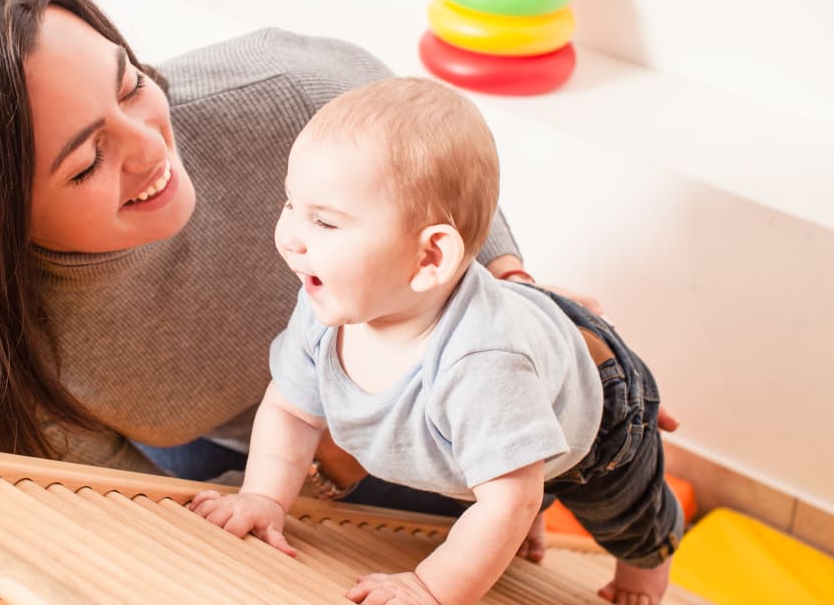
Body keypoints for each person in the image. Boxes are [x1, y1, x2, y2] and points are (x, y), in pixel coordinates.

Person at [0, 0, 612, 516]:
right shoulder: (5, 351)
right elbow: (161, 518)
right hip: (247, 431)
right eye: (88, 163)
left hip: (385, 377)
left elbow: (435, 166)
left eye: (131, 84)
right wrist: (325, 468)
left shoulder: (287, 96)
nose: (150, 148)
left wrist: (517, 293)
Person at [192, 78, 682, 605]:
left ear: (429, 259)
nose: (289, 235)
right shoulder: (328, 302)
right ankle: (527, 526)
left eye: (325, 221)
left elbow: (510, 498)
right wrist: (264, 497)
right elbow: (291, 412)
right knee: (502, 459)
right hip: (530, 352)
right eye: (291, 204)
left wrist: (431, 586)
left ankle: (646, 570)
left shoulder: (481, 364)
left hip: (600, 403)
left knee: (617, 509)